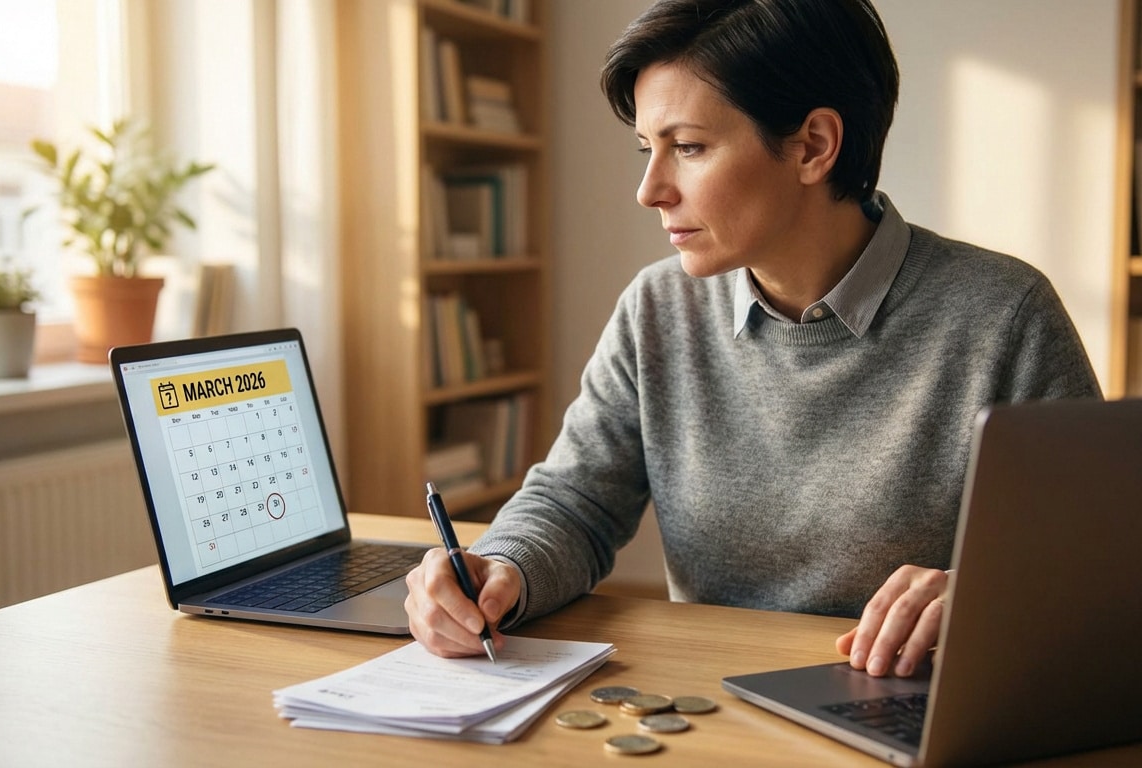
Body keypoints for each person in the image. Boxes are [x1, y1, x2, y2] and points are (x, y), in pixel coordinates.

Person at [405, 0, 1100, 678]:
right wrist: (503, 569)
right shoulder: (659, 307)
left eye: (690, 148)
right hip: (712, 705)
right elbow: (575, 502)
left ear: (813, 146)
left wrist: (980, 593)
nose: (650, 189)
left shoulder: (1005, 315)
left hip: (911, 709)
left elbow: (1097, 561)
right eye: (648, 150)